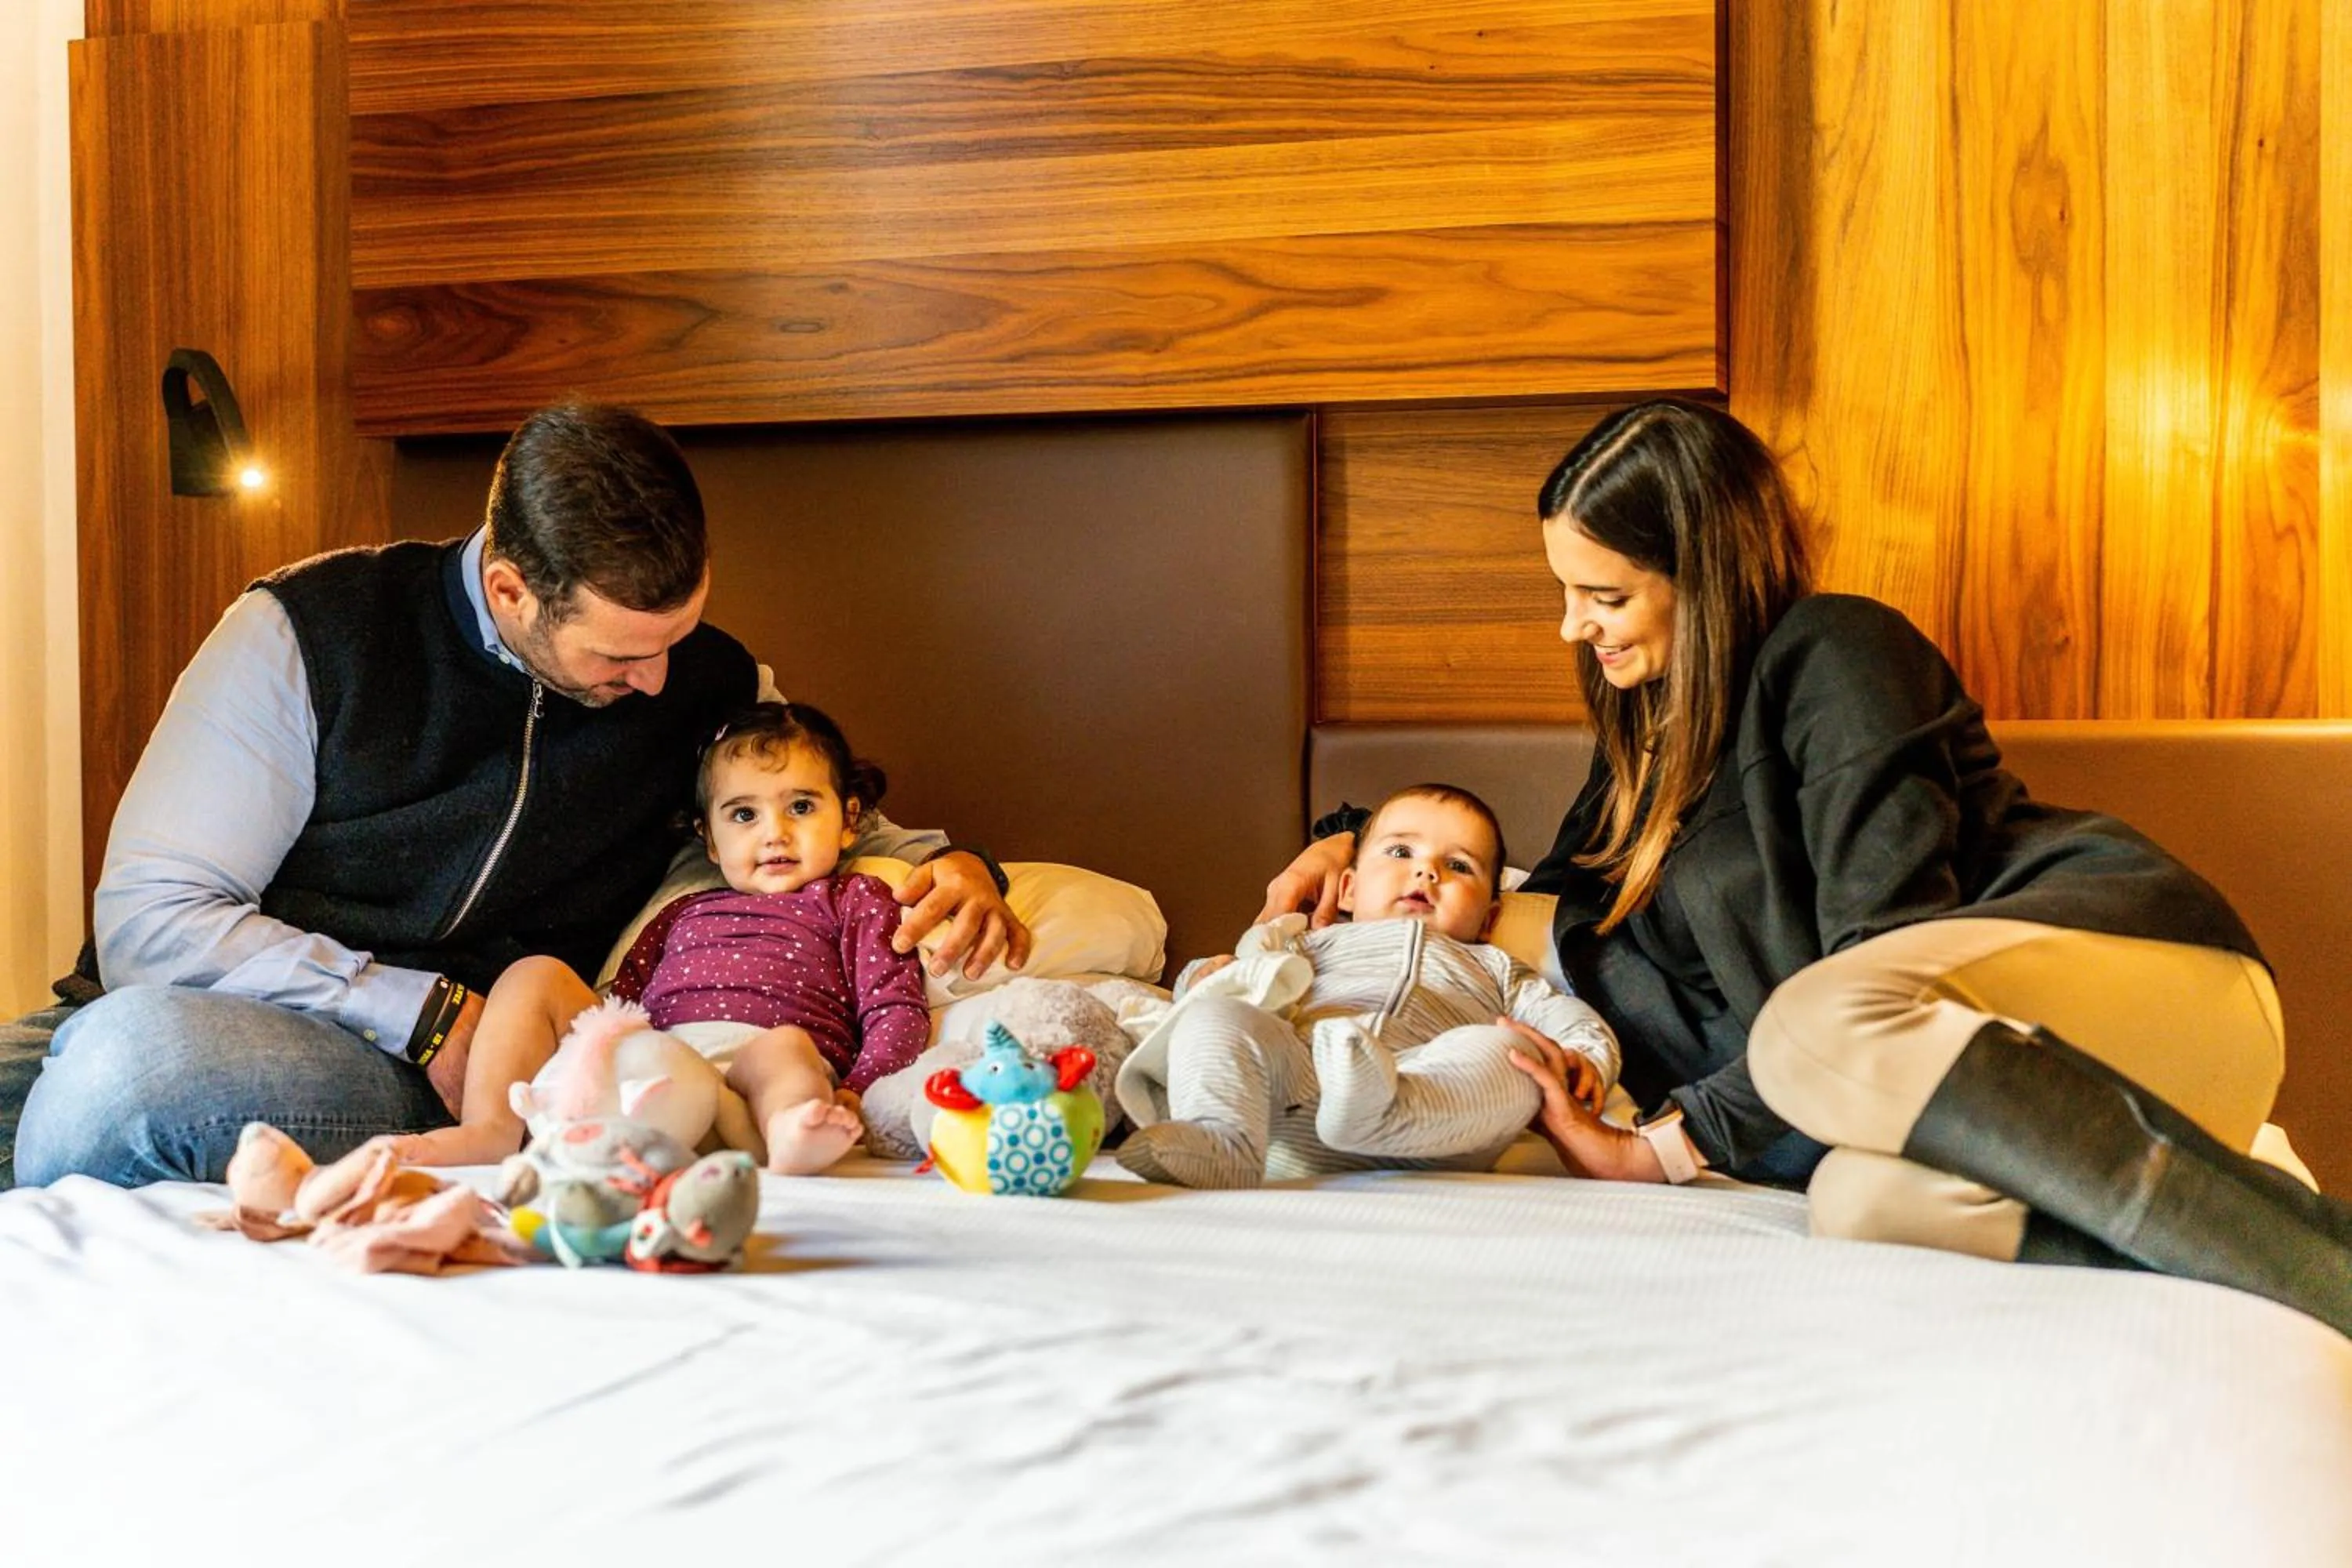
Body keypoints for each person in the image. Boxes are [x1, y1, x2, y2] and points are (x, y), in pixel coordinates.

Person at [1261, 397, 2352, 1336]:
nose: (1571, 627)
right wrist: (1351, 846)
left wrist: (1668, 1149)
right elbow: (1522, 894)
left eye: (1605, 596)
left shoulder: (1835, 652)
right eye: (1566, 592)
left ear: (1704, 572)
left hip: (2138, 983)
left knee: (1813, 1027)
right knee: (1857, 1201)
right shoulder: (1646, 754)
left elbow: (1881, 949)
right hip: (1962, 1090)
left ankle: (2332, 1275)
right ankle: (2240, 1271)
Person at [14, 402, 1025, 1189]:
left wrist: (964, 868)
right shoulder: (312, 633)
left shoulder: (713, 681)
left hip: (474, 1072)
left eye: (678, 634)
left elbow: (834, 823)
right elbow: (152, 921)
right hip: (300, 1017)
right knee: (102, 1053)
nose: (661, 682)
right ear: (510, 589)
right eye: (624, 652)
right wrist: (423, 1012)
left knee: (122, 1074)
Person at [397, 701, 927, 1175]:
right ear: (710, 840)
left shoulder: (856, 899)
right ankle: (490, 1131)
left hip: (750, 1101)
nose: (775, 833)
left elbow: (895, 1008)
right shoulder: (683, 911)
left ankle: (794, 1134)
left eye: (802, 807)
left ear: (849, 819)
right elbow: (621, 1002)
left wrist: (858, 1090)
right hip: (659, 1079)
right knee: (535, 974)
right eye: (744, 814)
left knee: (784, 1047)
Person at [1116, 784, 1618, 1189]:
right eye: (1401, 851)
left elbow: (1565, 1014)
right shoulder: (1309, 942)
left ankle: (1385, 1111)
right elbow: (1238, 982)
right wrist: (1204, 978)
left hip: (1432, 1120)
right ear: (1350, 888)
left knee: (1514, 1054)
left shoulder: (1496, 966)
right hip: (1302, 1087)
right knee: (1217, 1017)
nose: (1427, 870)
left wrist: (1583, 1056)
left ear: (1489, 918)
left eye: (1459, 865)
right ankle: (1224, 1140)